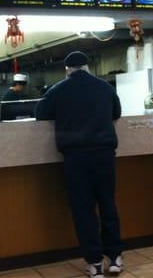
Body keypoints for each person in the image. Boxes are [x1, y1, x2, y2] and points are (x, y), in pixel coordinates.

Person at [35, 51, 123, 278]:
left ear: (67, 69)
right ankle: (115, 258)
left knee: (84, 209)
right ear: (87, 67)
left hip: (76, 156)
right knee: (108, 203)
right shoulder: (105, 87)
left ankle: (94, 263)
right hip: (104, 153)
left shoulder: (58, 89)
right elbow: (117, 113)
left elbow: (40, 114)